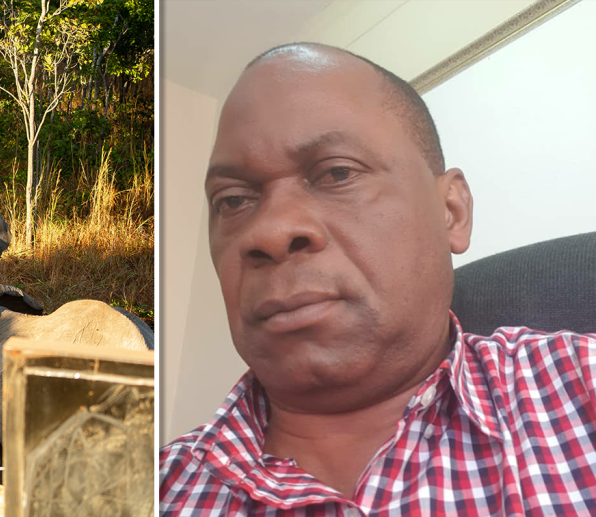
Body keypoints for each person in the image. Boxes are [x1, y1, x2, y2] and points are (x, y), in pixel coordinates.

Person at [159, 42, 596, 516]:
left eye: (338, 173)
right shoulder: (139, 489)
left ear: (451, 211)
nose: (270, 231)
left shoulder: (583, 391)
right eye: (233, 200)